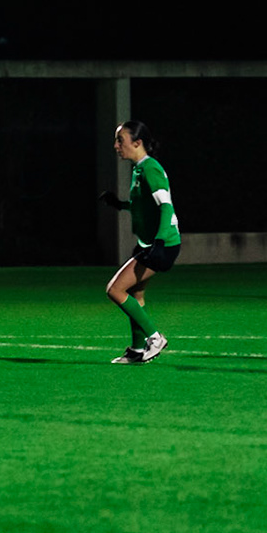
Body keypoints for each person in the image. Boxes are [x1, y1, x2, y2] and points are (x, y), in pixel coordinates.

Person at [99, 120, 181, 364]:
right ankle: (137, 350)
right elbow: (142, 206)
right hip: (151, 243)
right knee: (137, 293)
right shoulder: (139, 169)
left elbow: (166, 207)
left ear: (137, 143)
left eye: (120, 140)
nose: (116, 146)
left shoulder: (150, 168)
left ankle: (155, 338)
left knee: (115, 290)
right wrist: (120, 204)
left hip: (162, 244)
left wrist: (159, 241)